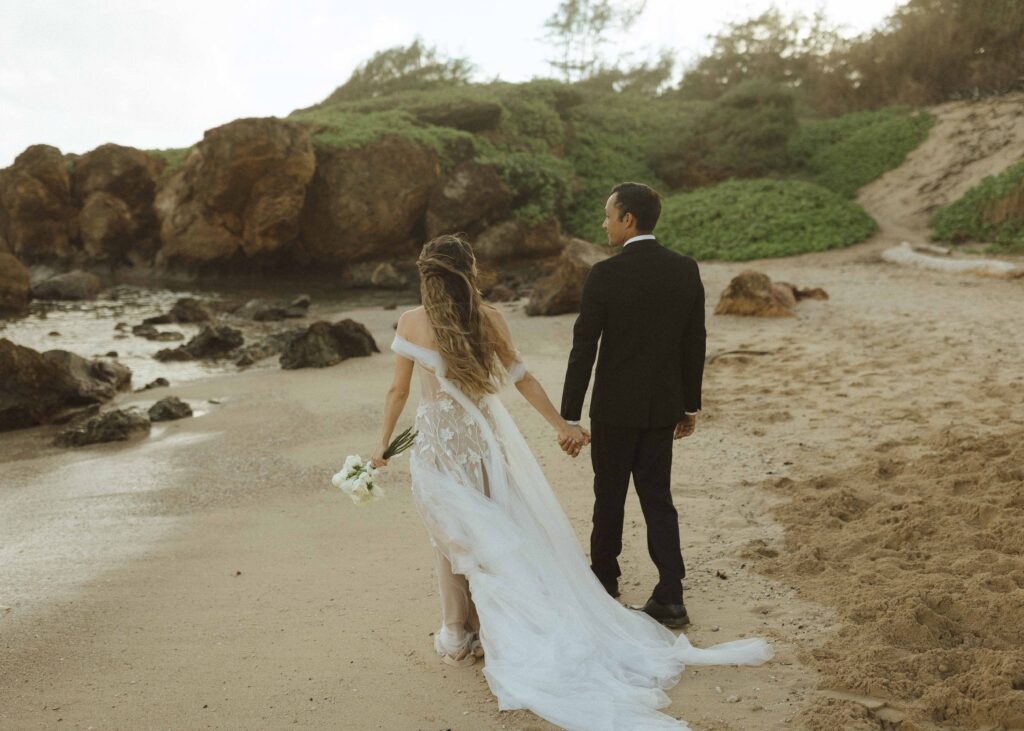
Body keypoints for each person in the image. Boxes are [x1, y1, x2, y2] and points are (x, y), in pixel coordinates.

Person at [370, 234, 770, 730]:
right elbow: (522, 378)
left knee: (452, 538)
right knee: (493, 535)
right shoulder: (490, 318)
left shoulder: (411, 322)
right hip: (485, 448)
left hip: (439, 449)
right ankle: (470, 629)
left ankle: (459, 634)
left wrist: (381, 448)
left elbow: (398, 389)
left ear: (427, 275)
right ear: (469, 270)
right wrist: (562, 425)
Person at [560, 181, 705, 629]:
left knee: (610, 496)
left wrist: (569, 414)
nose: (603, 223)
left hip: (614, 408)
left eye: (608, 214)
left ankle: (604, 580)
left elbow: (584, 346)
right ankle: (671, 595)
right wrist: (689, 405)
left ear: (628, 220)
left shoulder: (605, 275)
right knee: (657, 498)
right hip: (662, 406)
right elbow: (694, 341)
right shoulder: (684, 269)